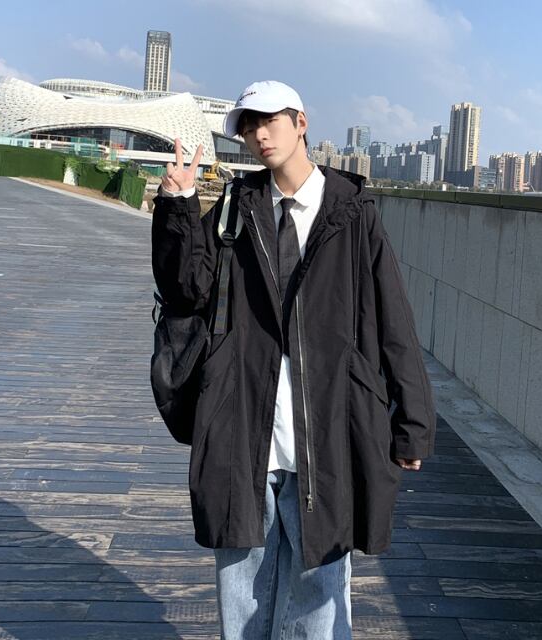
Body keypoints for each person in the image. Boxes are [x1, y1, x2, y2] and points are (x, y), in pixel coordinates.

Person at [152, 80, 436, 639]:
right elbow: (186, 290)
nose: (259, 135)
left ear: (301, 122)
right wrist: (178, 206)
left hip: (328, 431)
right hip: (242, 430)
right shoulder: (235, 208)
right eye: (247, 127)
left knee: (318, 604)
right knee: (242, 601)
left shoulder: (350, 213)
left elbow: (394, 320)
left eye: (269, 121)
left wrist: (413, 424)